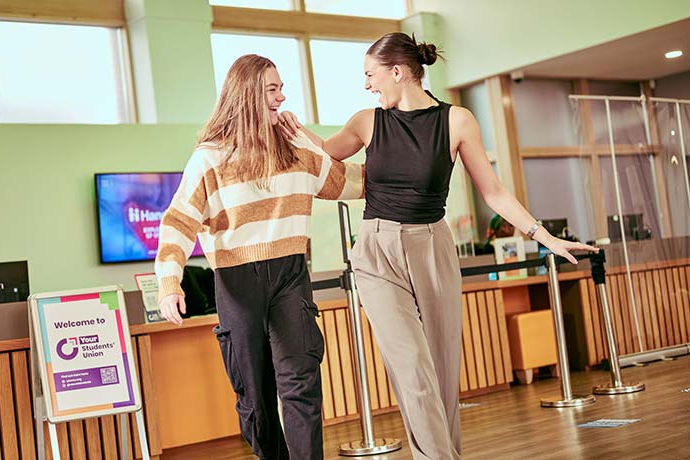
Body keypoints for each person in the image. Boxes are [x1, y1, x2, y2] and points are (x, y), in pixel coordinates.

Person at [279, 32, 599, 460]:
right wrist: (291, 129)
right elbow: (325, 154)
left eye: (370, 75)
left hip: (433, 245)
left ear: (398, 72)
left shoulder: (457, 121)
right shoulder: (367, 121)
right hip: (376, 250)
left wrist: (544, 236)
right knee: (412, 368)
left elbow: (495, 193)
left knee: (442, 370)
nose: (367, 85)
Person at [154, 54, 364, 460]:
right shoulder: (210, 158)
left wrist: (410, 170)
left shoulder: (296, 150)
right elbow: (177, 222)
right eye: (273, 89)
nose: (282, 97)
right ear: (247, 94)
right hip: (236, 283)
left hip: (290, 276)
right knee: (255, 396)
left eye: (281, 88)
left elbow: (350, 182)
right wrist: (169, 284)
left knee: (301, 383)